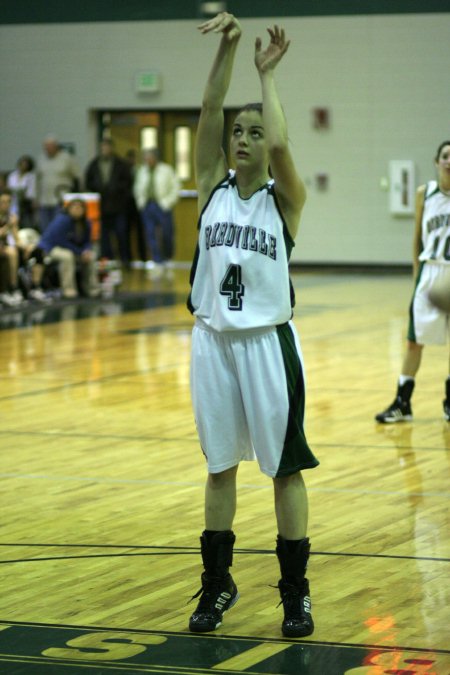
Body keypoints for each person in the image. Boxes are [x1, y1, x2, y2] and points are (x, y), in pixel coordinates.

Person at [186, 13, 319, 638]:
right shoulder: (210, 187)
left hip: (268, 345)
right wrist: (233, 49)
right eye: (238, 131)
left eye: (254, 132)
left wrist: (268, 78)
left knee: (284, 468)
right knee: (218, 467)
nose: (242, 138)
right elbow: (210, 103)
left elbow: (286, 147)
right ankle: (218, 584)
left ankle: (295, 594)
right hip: (212, 341)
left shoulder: (284, 198)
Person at [375, 140, 450, 423]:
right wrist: (416, 273)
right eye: (445, 156)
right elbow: (416, 237)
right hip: (430, 273)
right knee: (414, 342)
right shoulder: (425, 194)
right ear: (436, 161)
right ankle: (402, 402)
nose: (449, 161)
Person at [38, 198, 99, 299]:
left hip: (72, 249)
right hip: (51, 247)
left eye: (80, 207)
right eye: (74, 207)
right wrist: (80, 252)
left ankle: (92, 289)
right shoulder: (62, 220)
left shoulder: (86, 222)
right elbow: (61, 241)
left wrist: (86, 251)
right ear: (69, 209)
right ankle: (68, 290)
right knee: (67, 256)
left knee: (91, 257)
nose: (77, 210)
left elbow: (88, 241)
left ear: (84, 210)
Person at [133, 148, 180, 278]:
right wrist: (140, 203)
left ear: (155, 158)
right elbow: (137, 188)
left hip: (162, 205)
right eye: (145, 158)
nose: (147, 160)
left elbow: (175, 187)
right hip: (148, 205)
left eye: (149, 157)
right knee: (150, 234)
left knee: (167, 233)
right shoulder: (142, 171)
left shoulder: (166, 170)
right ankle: (157, 262)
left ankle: (168, 261)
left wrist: (167, 202)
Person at [85, 139, 132, 265]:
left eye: (107, 147)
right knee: (104, 237)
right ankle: (108, 260)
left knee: (121, 234)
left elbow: (128, 183)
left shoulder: (120, 164)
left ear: (111, 148)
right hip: (101, 207)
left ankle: (124, 259)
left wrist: (116, 190)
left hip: (118, 206)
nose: (105, 150)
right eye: (102, 147)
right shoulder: (94, 164)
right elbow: (88, 182)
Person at [36, 135, 81, 231]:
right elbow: (37, 180)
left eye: (50, 146)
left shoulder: (67, 158)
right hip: (44, 200)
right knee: (45, 228)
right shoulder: (41, 159)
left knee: (59, 228)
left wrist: (76, 196)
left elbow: (77, 176)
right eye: (46, 146)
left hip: (61, 200)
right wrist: (36, 198)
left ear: (56, 146)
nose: (48, 149)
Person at [0, 189, 25, 306]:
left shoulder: (10, 216)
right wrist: (9, 225)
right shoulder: (8, 220)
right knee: (11, 253)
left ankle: (32, 287)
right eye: (3, 202)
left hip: (5, 246)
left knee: (18, 250)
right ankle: (10, 288)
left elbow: (16, 238)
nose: (6, 204)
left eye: (8, 202)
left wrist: (26, 246)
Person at [6, 155, 38, 229]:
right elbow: (9, 187)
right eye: (22, 164)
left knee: (26, 221)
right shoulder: (13, 175)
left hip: (26, 202)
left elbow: (32, 190)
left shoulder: (31, 176)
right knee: (13, 218)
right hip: (13, 200)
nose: (23, 166)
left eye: (25, 165)